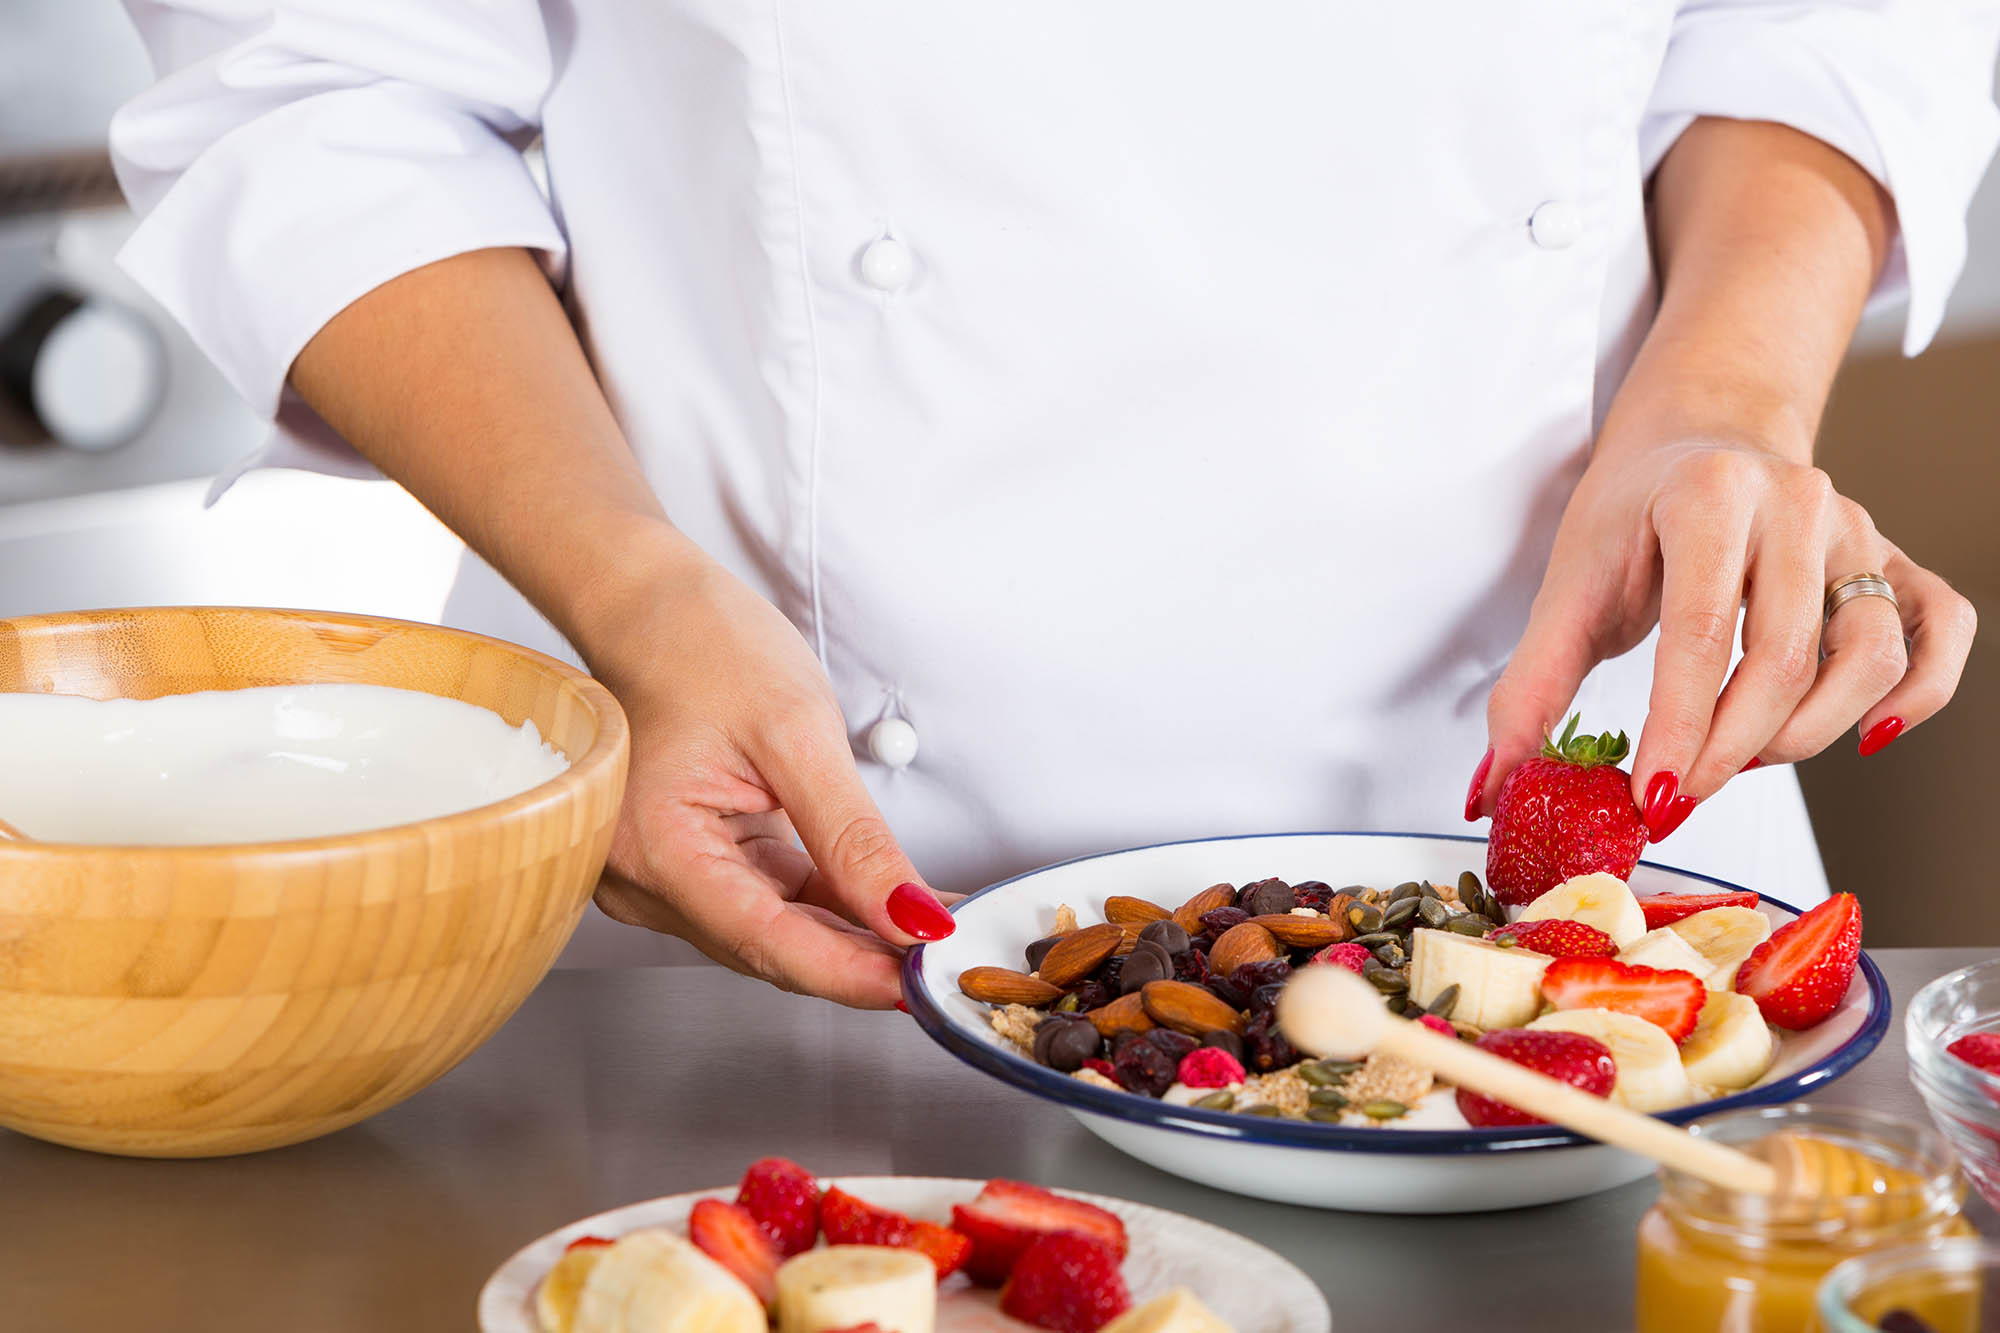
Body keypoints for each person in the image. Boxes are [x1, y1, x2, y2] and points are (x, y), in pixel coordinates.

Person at [110, 3, 1993, 1009]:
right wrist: (630, 594)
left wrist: (1725, 401)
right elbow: (319, 85)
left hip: (1575, 906)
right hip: (794, 858)